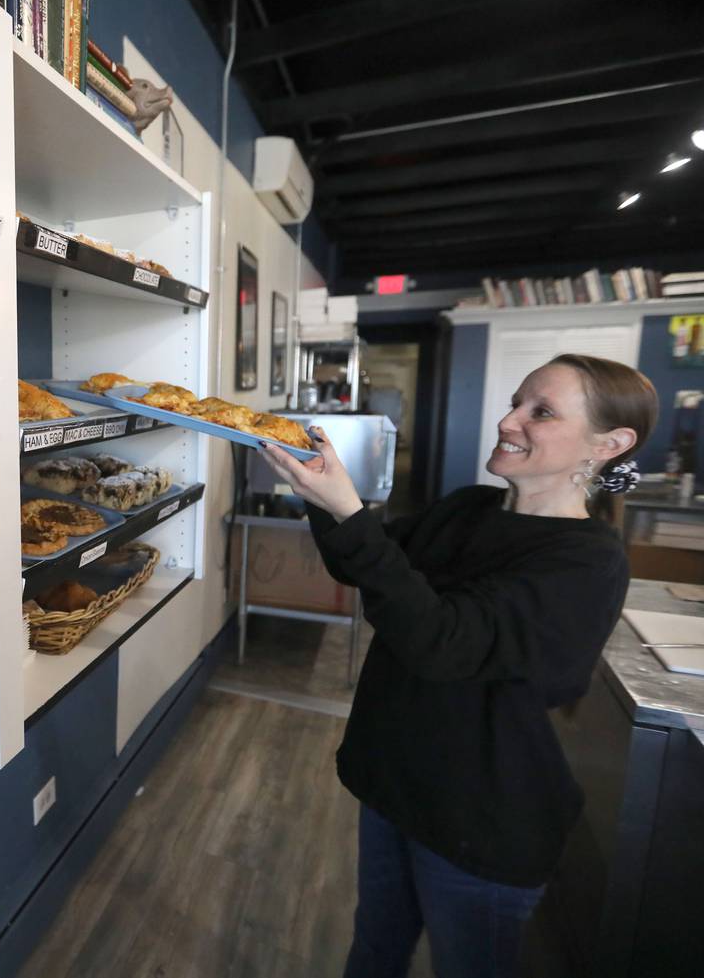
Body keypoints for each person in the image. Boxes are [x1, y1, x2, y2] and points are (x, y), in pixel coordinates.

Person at [256, 354, 657, 978]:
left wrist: (351, 514)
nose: (509, 420)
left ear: (609, 444)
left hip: (482, 820)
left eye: (541, 412)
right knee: (375, 948)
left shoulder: (587, 564)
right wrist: (323, 495)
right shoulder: (469, 507)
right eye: (516, 402)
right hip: (397, 787)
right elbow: (364, 562)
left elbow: (443, 641)